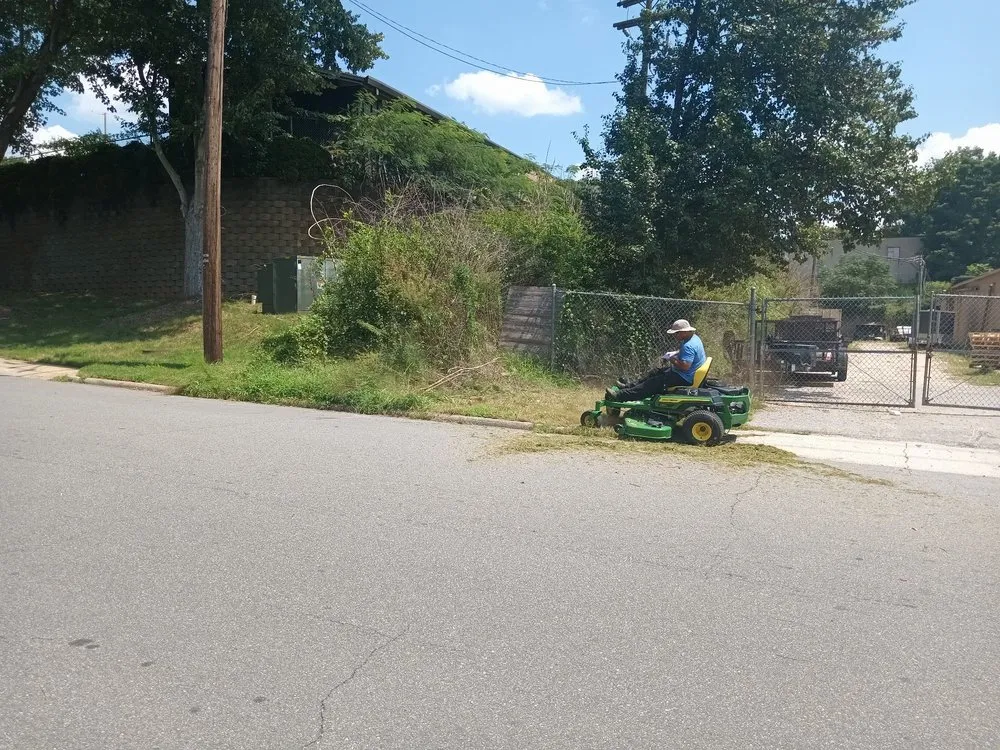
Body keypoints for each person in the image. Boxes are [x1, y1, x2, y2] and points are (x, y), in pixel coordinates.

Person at [605, 319, 707, 401]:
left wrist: (672, 359)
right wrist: (676, 353)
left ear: (684, 332)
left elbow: (685, 366)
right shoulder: (694, 338)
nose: (675, 336)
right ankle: (627, 386)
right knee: (655, 372)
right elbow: (687, 355)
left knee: (650, 385)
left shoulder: (688, 346)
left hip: (684, 377)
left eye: (676, 333)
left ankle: (619, 396)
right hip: (685, 374)